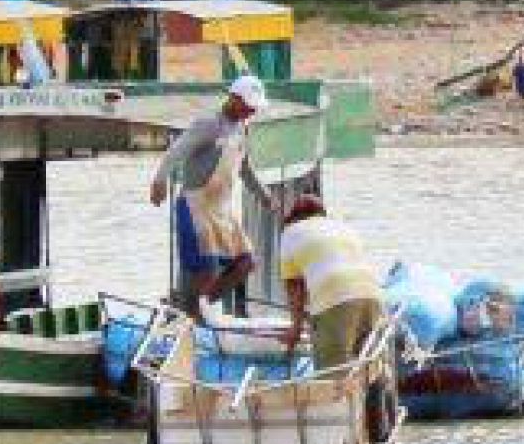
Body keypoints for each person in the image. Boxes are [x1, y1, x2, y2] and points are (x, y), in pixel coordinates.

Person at [150, 76, 269, 316]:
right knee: (206, 270)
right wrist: (159, 180)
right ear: (234, 99)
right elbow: (176, 152)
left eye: (254, 107)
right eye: (248, 105)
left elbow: (244, 167)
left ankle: (199, 308)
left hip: (222, 209)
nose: (251, 111)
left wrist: (263, 193)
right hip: (196, 206)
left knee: (246, 263)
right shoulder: (208, 124)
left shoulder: (242, 128)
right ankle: (192, 314)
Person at [277, 196, 384, 376]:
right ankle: (374, 402)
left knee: (332, 377)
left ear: (295, 217)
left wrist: (295, 329)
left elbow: (295, 287)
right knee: (369, 370)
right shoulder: (342, 227)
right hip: (373, 297)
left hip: (335, 301)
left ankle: (337, 403)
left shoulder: (291, 232)